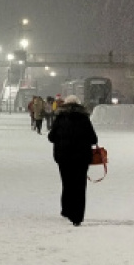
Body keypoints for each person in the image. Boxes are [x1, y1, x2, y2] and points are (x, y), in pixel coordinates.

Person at [48, 94, 99, 226]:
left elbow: (51, 137)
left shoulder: (60, 118)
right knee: (80, 186)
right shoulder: (84, 118)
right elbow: (93, 139)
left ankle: (66, 210)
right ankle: (77, 216)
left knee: (67, 183)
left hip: (63, 157)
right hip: (81, 158)